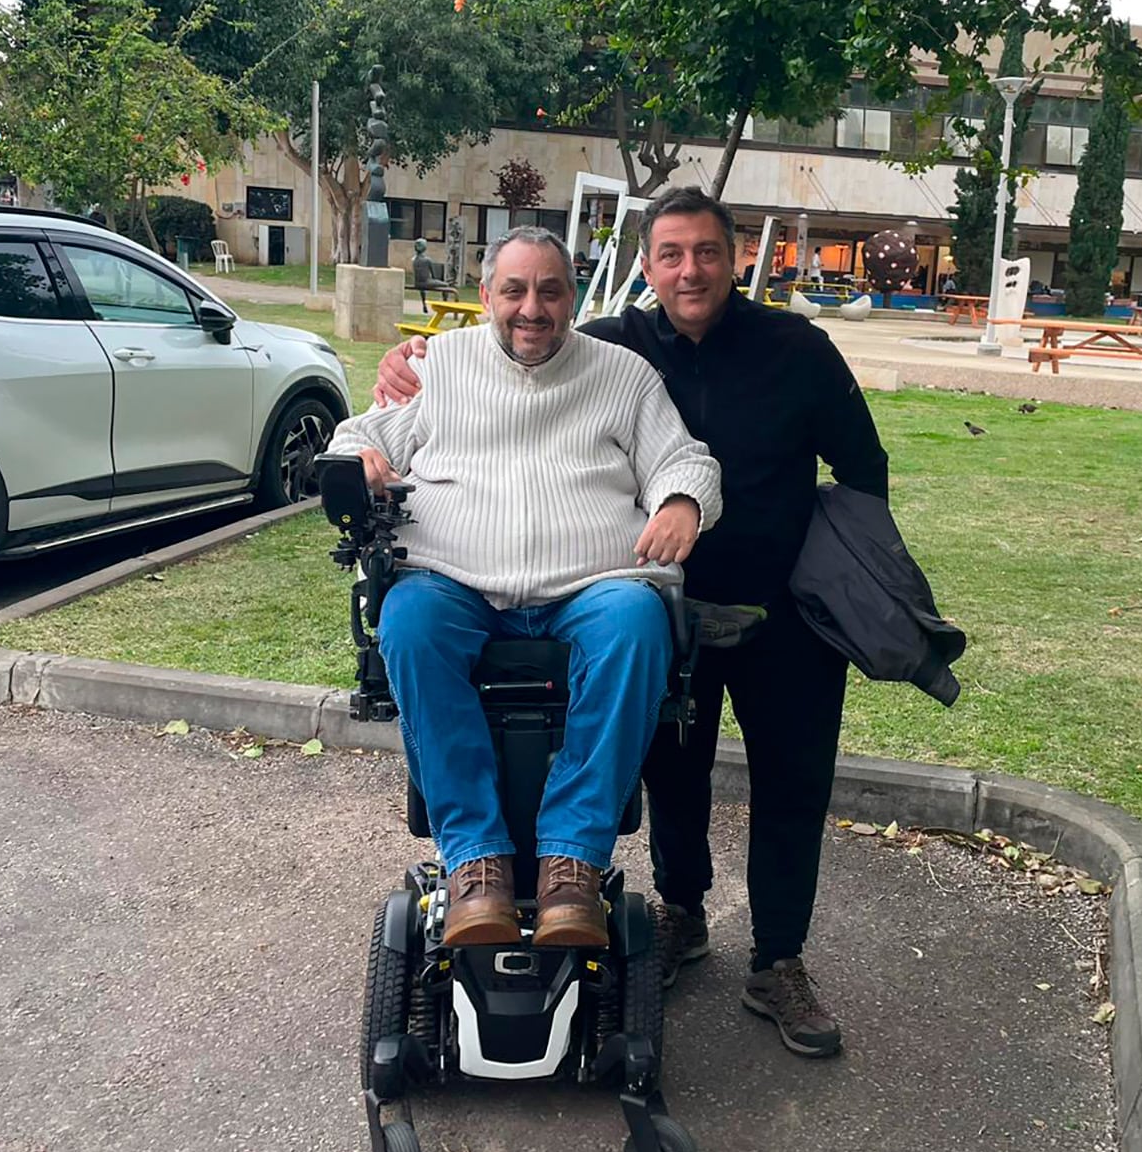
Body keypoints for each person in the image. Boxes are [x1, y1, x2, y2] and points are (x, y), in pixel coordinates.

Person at [378, 188, 887, 1058]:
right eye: (671, 256)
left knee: (789, 782)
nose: (690, 270)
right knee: (674, 774)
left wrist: (702, 503)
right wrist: (393, 396)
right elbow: (397, 422)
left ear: (734, 259)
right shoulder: (574, 349)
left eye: (708, 253)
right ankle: (590, 897)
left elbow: (852, 469)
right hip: (602, 593)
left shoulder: (779, 350)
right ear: (646, 270)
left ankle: (775, 959)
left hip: (772, 609)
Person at [333, 226, 722, 950]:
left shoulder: (624, 374)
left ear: (573, 297)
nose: (531, 309)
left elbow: (686, 460)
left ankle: (572, 859)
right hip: (455, 578)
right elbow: (364, 435)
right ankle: (476, 861)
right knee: (409, 621)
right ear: (486, 297)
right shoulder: (438, 367)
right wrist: (359, 460)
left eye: (550, 291)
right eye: (513, 291)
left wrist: (680, 503)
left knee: (638, 623)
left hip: (592, 582)